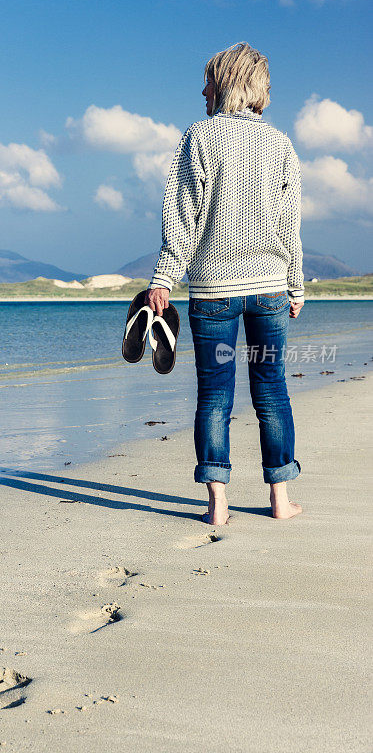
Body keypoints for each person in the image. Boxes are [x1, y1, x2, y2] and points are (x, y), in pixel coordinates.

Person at [145, 41, 304, 526]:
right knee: (271, 388)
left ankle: (217, 505)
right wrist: (295, 286)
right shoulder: (280, 144)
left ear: (226, 84)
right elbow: (288, 223)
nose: (201, 89)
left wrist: (164, 278)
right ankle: (279, 500)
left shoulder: (198, 137)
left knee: (214, 394)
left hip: (212, 293)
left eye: (208, 80)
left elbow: (183, 216)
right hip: (268, 291)